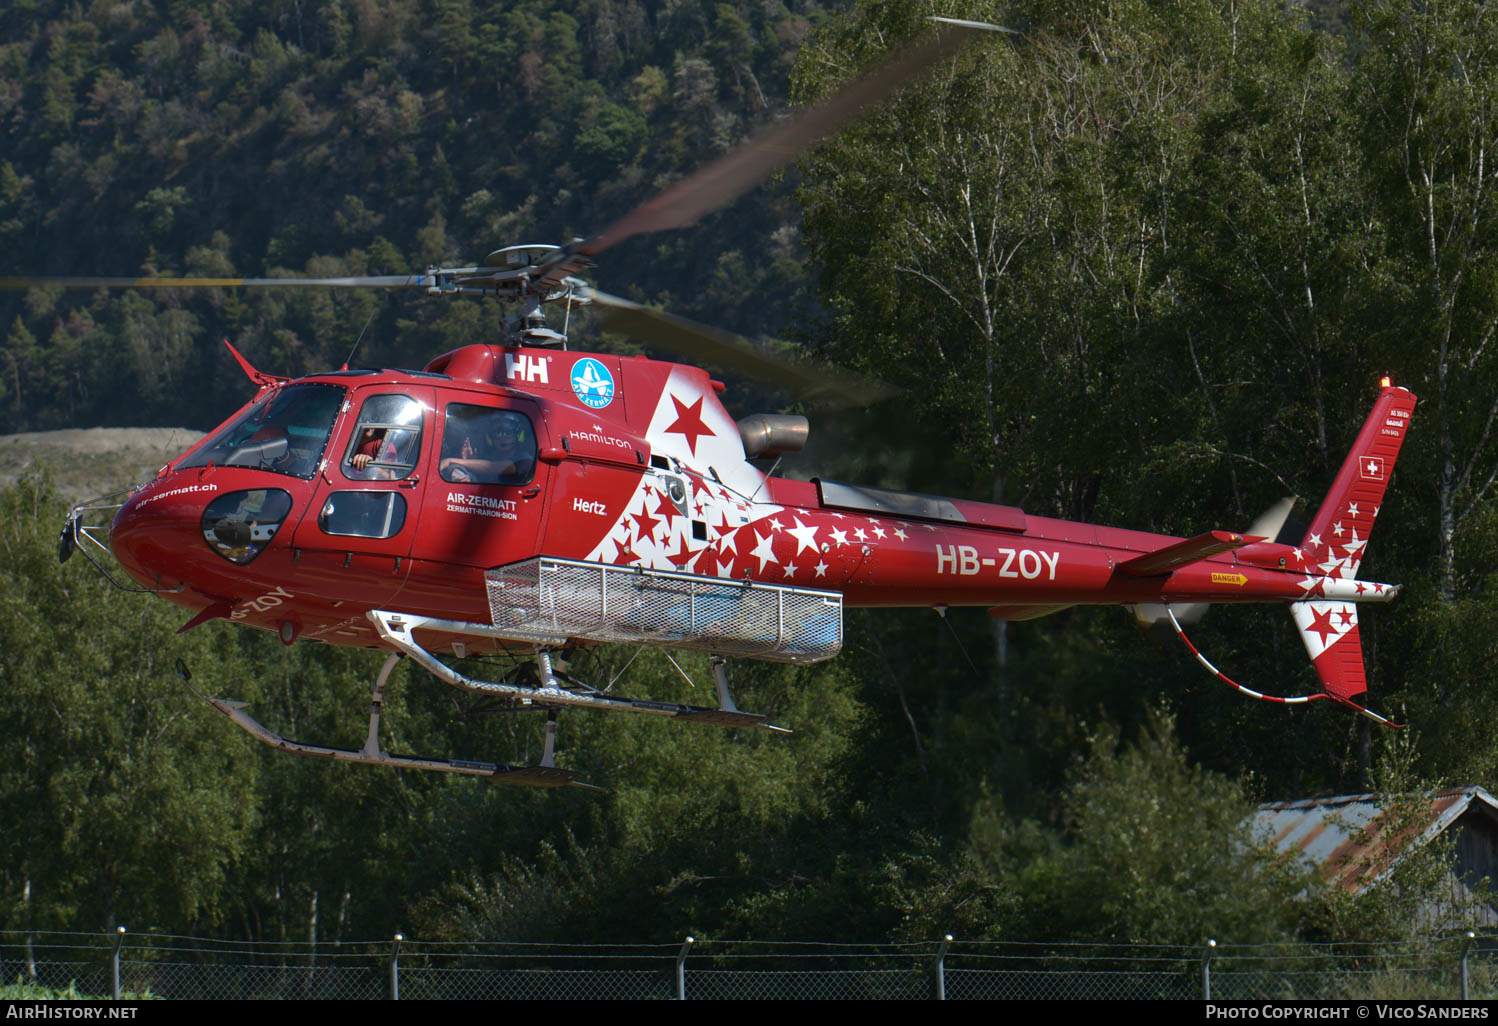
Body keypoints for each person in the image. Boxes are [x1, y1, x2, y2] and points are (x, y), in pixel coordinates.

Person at [440, 412, 533, 484]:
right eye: (497, 434)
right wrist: (469, 462)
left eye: (508, 433)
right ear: (490, 439)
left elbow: (491, 467)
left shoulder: (525, 461)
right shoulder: (492, 457)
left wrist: (450, 460)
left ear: (519, 436)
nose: (503, 438)